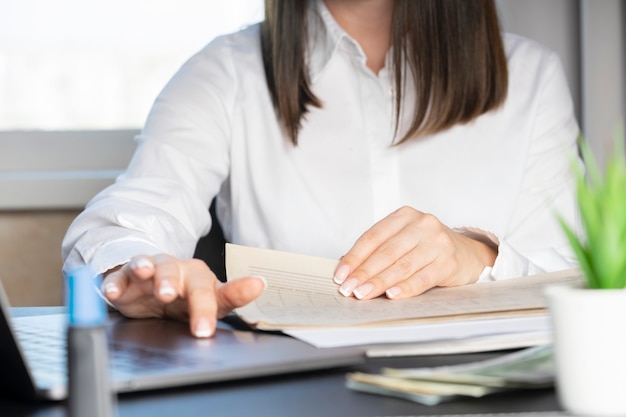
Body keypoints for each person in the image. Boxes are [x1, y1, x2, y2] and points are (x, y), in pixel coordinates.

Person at [62, 0, 581, 338]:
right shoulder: (225, 72)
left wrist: (478, 253)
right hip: (296, 389)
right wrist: (138, 273)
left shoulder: (530, 77)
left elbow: (582, 281)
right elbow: (122, 223)